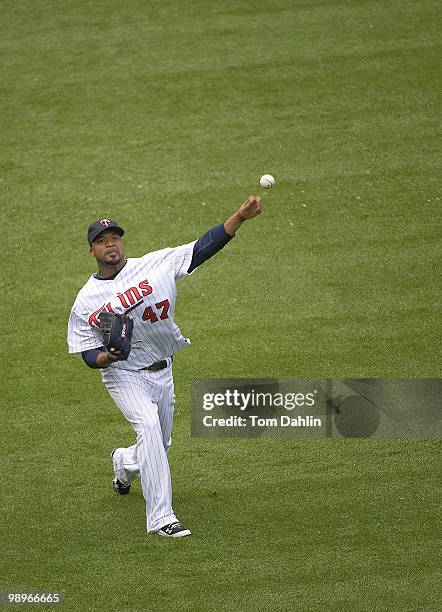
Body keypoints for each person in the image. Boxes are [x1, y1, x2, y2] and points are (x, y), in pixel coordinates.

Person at [67, 196, 262, 538]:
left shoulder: (155, 264)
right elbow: (87, 354)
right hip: (124, 374)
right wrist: (108, 356)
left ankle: (124, 464)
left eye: (114, 237)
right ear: (92, 251)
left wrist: (240, 217)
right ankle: (161, 518)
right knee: (148, 429)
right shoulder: (86, 300)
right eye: (101, 241)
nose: (109, 244)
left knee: (159, 446)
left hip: (163, 371)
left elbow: (202, 248)